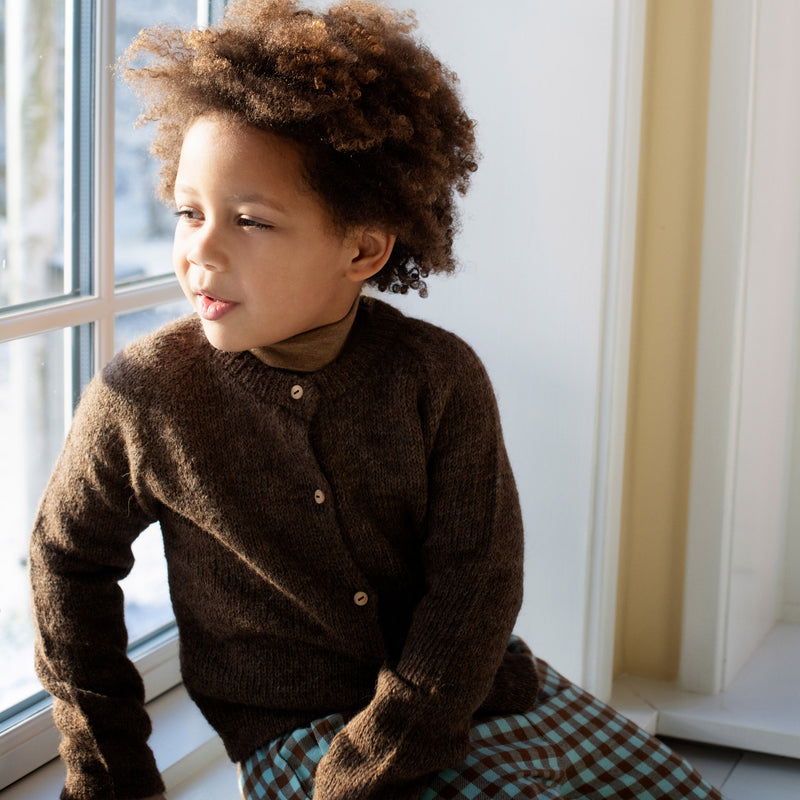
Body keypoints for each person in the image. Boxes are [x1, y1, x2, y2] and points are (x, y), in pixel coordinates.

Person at [29, 2, 725, 799]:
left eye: (248, 220)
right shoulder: (142, 395)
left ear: (363, 247)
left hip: (467, 696)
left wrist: (388, 748)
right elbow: (66, 560)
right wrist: (108, 770)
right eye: (190, 212)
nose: (199, 251)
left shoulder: (439, 377)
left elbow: (477, 581)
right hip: (301, 730)